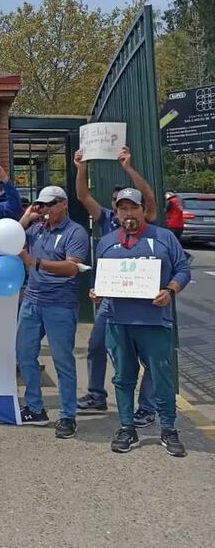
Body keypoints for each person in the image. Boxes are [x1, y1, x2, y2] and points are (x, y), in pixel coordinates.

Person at [96, 188, 190, 456]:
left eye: (133, 208)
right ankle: (127, 427)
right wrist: (96, 293)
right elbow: (101, 280)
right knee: (122, 378)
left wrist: (170, 290)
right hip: (118, 320)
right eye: (122, 209)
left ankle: (169, 428)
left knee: (161, 376)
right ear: (116, 212)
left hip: (154, 320)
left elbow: (183, 269)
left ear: (143, 209)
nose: (128, 214)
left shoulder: (164, 238)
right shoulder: (106, 242)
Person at [74, 147, 157, 423]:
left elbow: (149, 196)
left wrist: (128, 168)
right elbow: (82, 195)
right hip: (110, 300)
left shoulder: (147, 222)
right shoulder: (106, 220)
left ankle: (146, 407)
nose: (123, 209)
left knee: (147, 357)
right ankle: (97, 395)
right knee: (97, 346)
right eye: (118, 203)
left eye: (130, 205)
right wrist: (81, 166)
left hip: (142, 301)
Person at [16, 185, 89, 439]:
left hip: (60, 304)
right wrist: (26, 217)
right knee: (24, 353)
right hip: (32, 301)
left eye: (50, 204)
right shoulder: (36, 228)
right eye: (42, 205)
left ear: (63, 204)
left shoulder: (75, 232)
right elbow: (12, 236)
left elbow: (72, 267)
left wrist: (34, 262)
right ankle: (35, 408)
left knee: (63, 361)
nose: (45, 209)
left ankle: (68, 415)